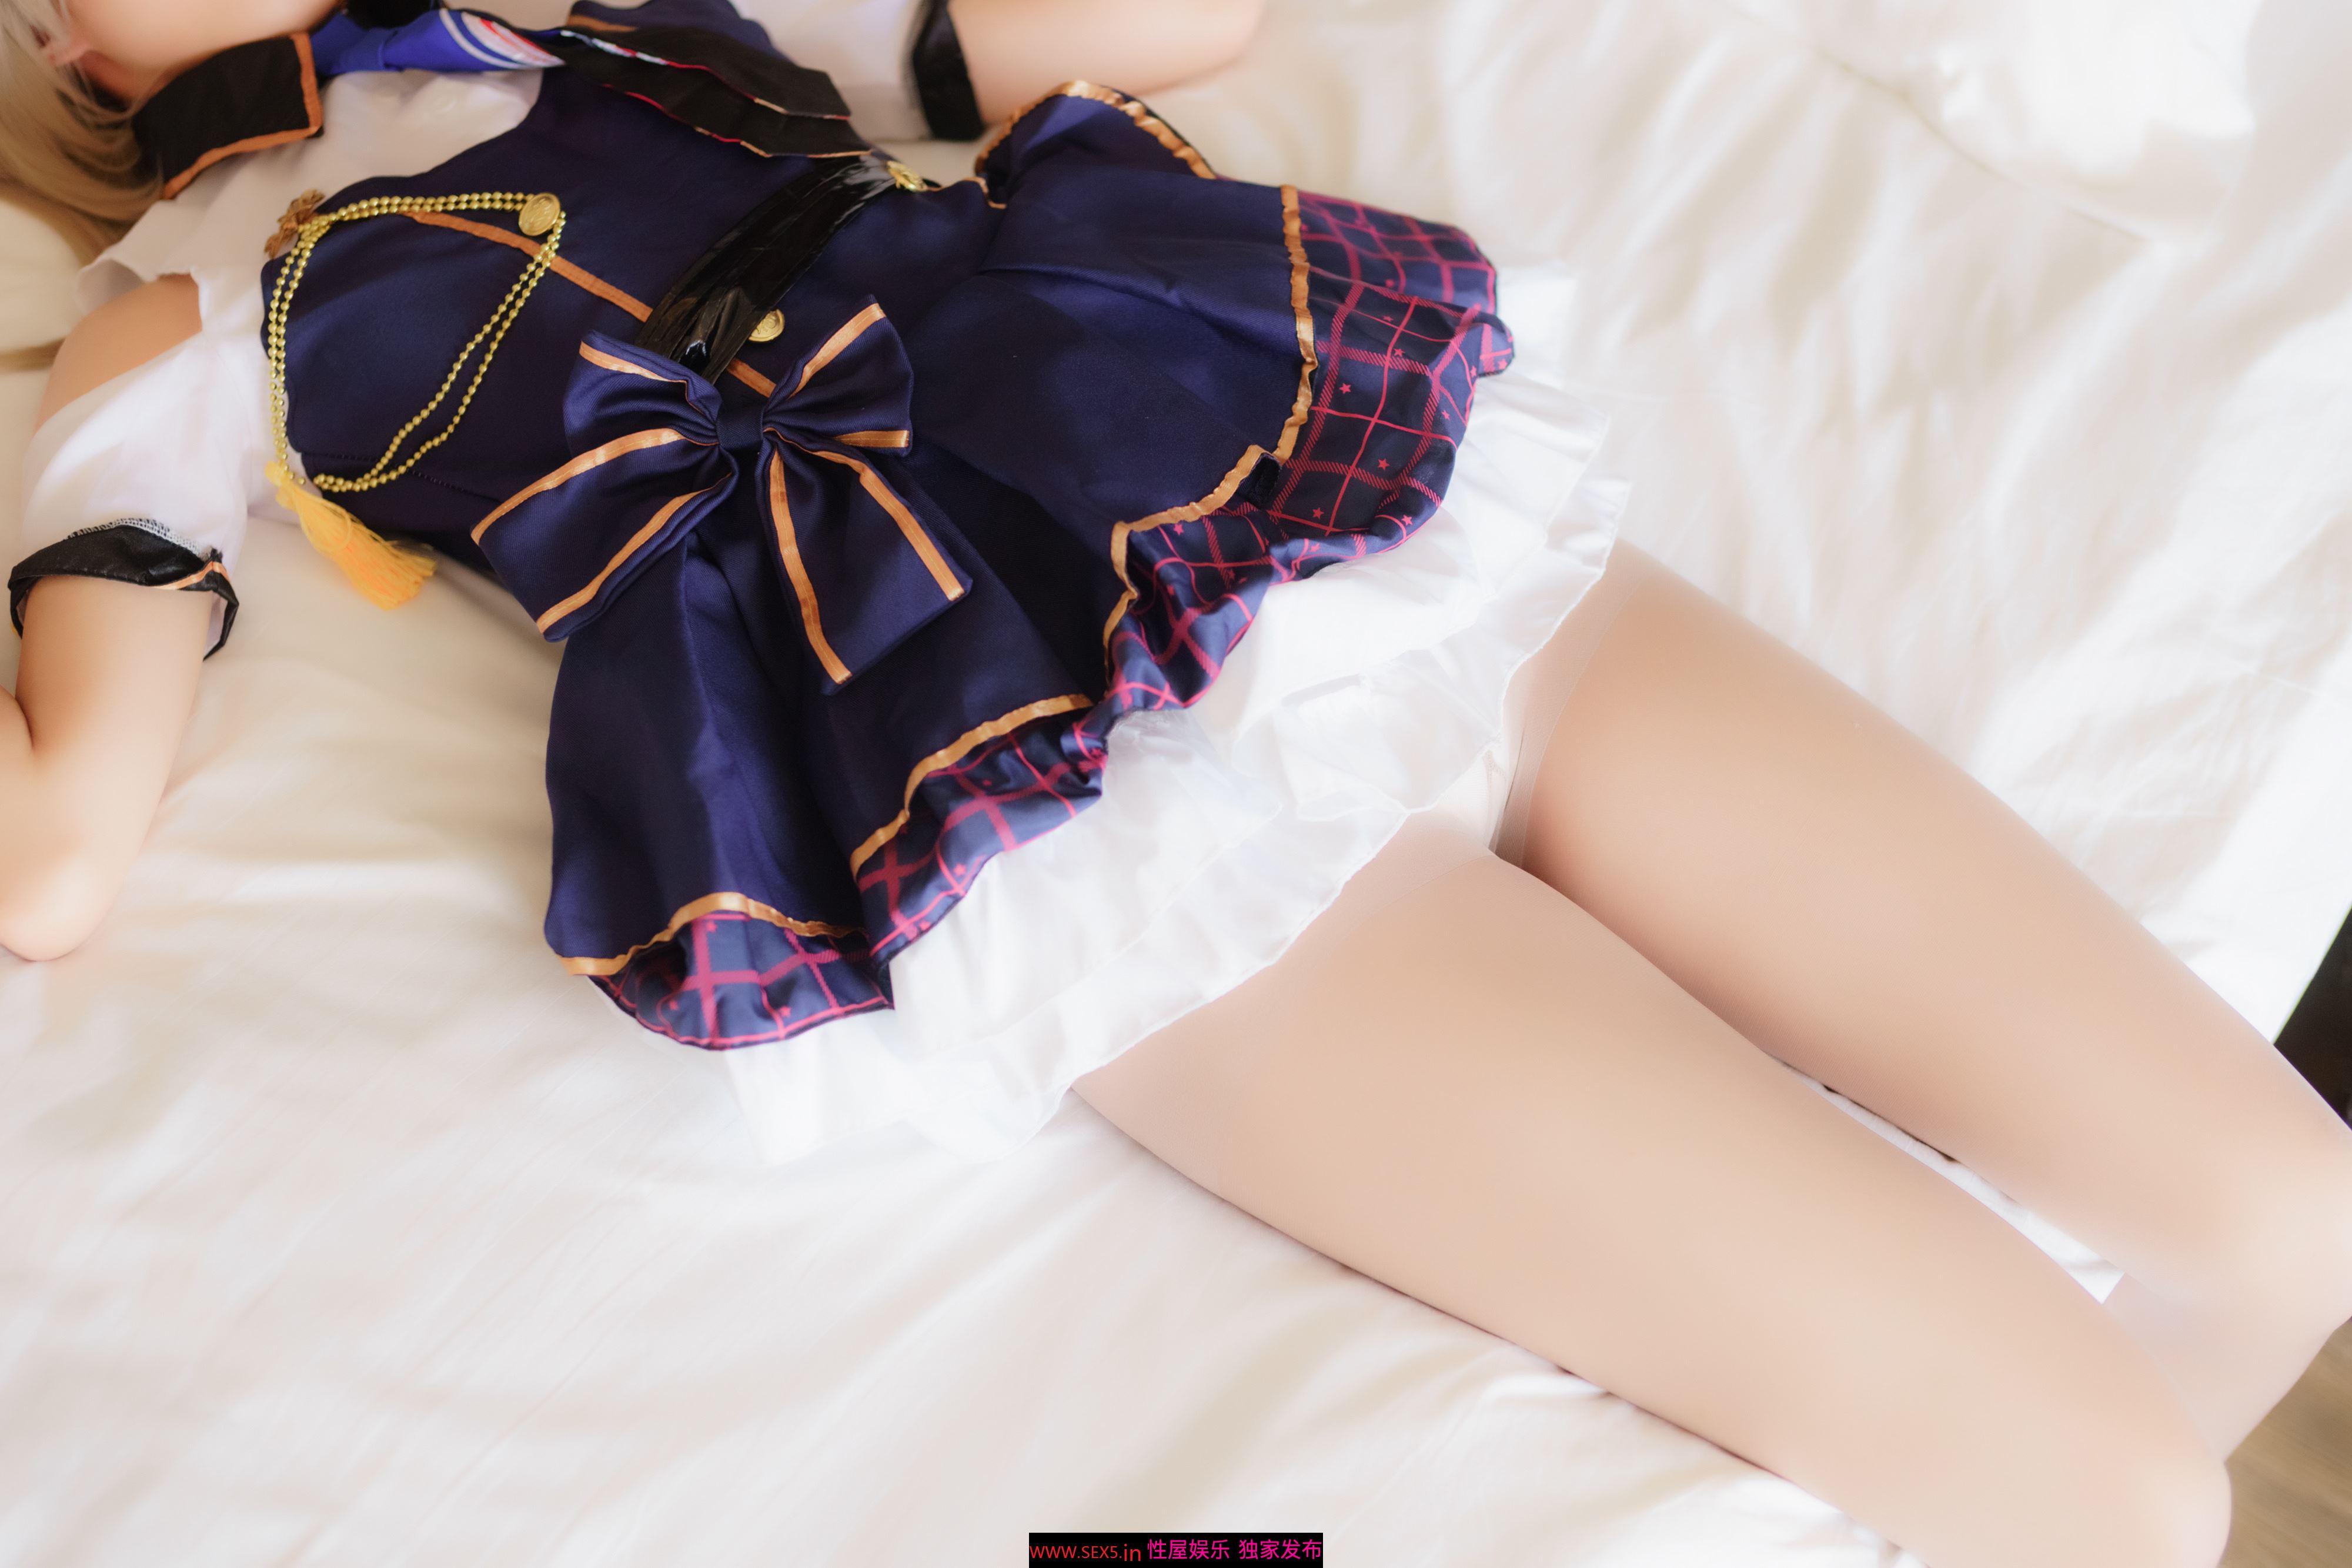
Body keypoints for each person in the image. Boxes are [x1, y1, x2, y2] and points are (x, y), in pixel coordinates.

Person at [1, 6, 2347, 1567]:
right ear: (54, 43)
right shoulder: (178, 306)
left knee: (2295, 1209)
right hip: (1094, 822)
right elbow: (58, 857)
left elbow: (1145, 30)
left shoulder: (637, 14)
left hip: (1332, 505)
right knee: (2121, 1493)